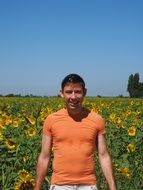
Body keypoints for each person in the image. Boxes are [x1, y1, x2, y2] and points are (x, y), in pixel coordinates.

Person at [34, 73, 117, 190]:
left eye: (77, 92)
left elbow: (103, 155)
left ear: (85, 92)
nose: (73, 97)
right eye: (68, 92)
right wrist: (37, 187)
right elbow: (44, 156)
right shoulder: (51, 120)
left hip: (88, 185)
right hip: (59, 184)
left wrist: (113, 186)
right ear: (61, 93)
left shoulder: (96, 119)